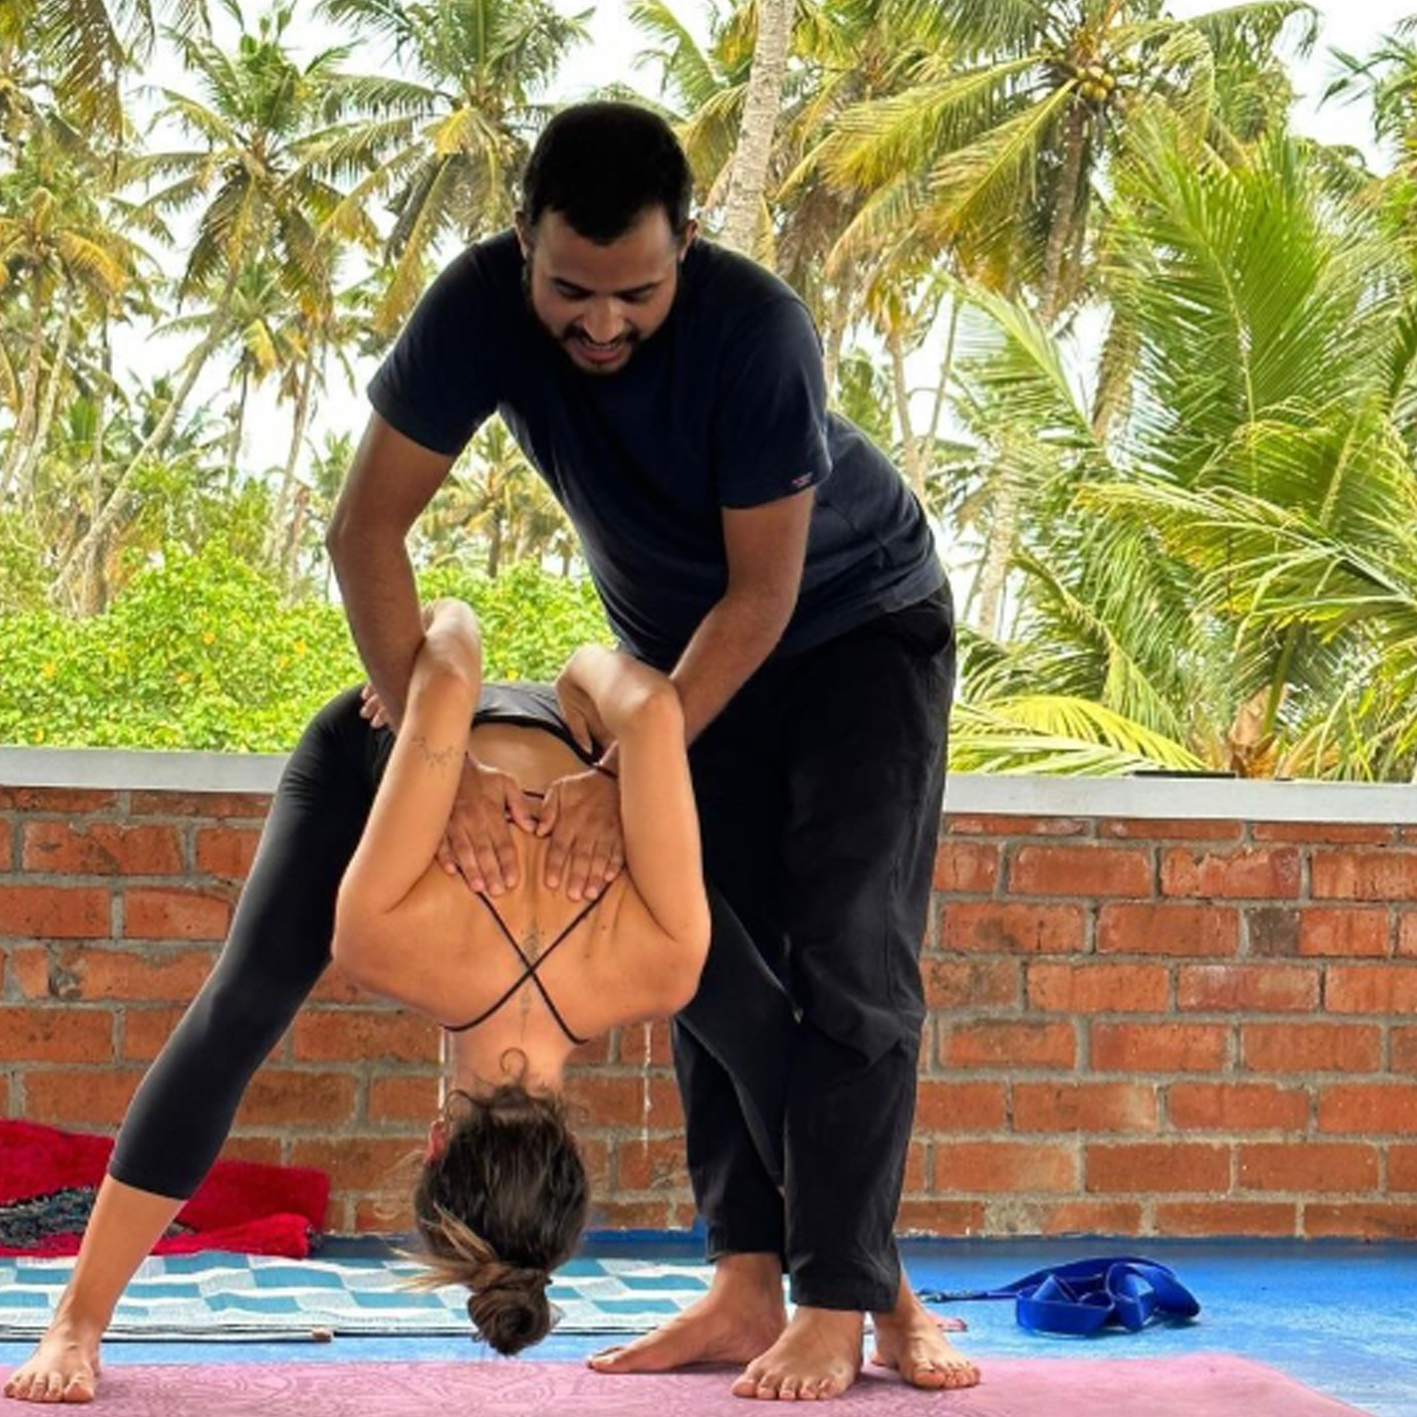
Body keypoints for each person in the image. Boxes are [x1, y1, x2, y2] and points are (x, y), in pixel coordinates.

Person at [327, 100, 975, 1400]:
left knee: (849, 947)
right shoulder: (475, 312)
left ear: (689, 245)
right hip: (677, 663)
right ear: (524, 248)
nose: (602, 322)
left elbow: (762, 598)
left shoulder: (756, 332)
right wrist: (430, 767)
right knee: (706, 956)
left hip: (851, 628)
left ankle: (839, 1303)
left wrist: (624, 767)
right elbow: (366, 534)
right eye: (572, 291)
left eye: (637, 291)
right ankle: (746, 1282)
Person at [2, 602, 799, 1403]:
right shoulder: (380, 945)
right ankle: (862, 1286)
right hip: (443, 745)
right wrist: (464, 703)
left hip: (525, 745)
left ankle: (79, 1318)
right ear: (435, 1142)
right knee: (761, 1035)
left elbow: (542, 682)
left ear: (573, 1150)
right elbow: (451, 681)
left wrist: (583, 687)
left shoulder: (661, 969)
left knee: (763, 1029)